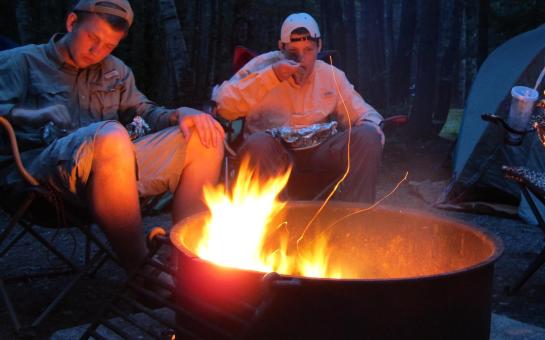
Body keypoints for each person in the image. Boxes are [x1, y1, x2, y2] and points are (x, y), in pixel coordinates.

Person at [0, 0, 224, 272]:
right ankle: (142, 272)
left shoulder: (115, 71)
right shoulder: (20, 62)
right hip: (37, 174)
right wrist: (32, 115)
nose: (97, 51)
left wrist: (179, 114)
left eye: (109, 45)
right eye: (92, 38)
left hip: (110, 167)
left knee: (204, 136)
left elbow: (144, 111)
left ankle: (188, 264)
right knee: (112, 135)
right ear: (72, 23)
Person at [212, 12, 384, 203]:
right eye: (293, 51)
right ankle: (274, 226)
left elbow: (364, 112)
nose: (301, 59)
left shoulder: (330, 75)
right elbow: (223, 105)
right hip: (272, 154)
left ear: (319, 47)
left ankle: (357, 223)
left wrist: (372, 126)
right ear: (281, 47)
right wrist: (272, 76)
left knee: (368, 137)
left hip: (319, 153)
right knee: (258, 143)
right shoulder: (261, 66)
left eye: (308, 50)